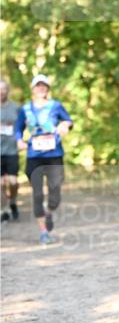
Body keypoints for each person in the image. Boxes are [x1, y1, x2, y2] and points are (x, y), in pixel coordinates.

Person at [15, 75, 73, 245]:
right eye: (37, 86)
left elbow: (68, 120)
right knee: (38, 194)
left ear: (47, 88)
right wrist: (19, 140)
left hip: (54, 155)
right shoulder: (25, 109)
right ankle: (43, 232)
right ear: (32, 89)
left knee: (55, 195)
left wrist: (65, 125)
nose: (41, 88)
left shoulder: (56, 105)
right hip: (34, 157)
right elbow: (18, 129)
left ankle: (49, 212)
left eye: (44, 86)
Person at [1, 79, 21, 224]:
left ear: (7, 91)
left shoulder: (15, 108)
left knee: (13, 182)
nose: (1, 92)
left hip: (12, 150)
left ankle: (13, 202)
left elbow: (23, 125)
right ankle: (4, 209)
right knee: (1, 183)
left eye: (3, 89)